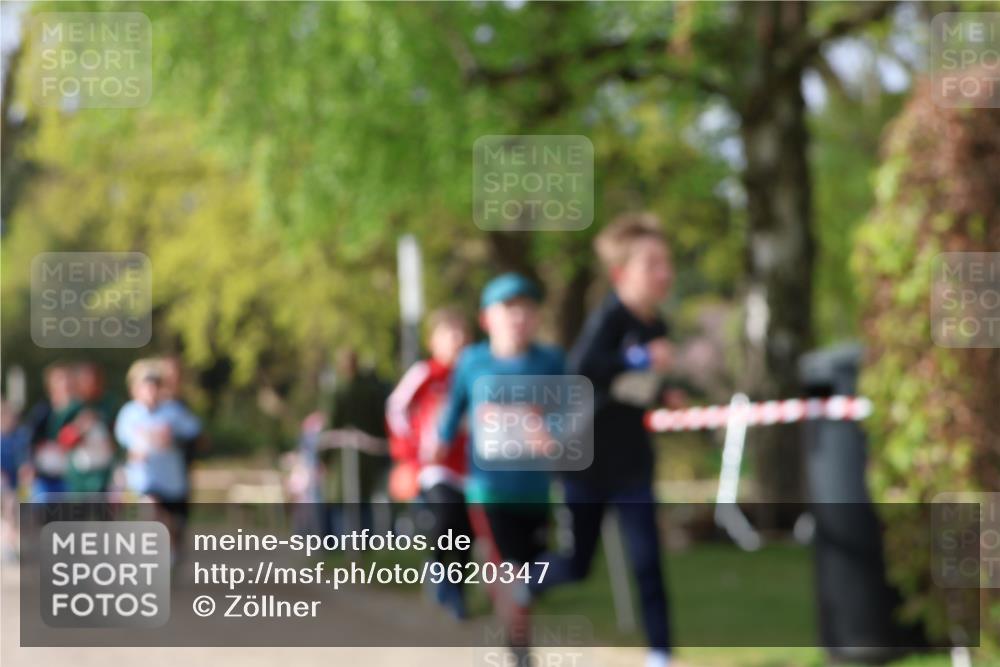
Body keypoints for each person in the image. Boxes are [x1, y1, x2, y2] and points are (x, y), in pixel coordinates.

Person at [527, 213, 677, 667]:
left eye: (666, 263)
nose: (664, 273)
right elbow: (584, 372)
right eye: (651, 263)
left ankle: (661, 654)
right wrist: (637, 357)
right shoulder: (609, 319)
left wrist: (666, 393)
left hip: (632, 462)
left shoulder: (659, 325)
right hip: (586, 464)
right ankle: (522, 583)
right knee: (577, 564)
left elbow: (632, 391)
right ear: (620, 275)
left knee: (648, 560)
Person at [437, 273, 565, 657]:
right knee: (507, 570)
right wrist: (440, 444)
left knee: (529, 576)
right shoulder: (472, 362)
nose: (519, 317)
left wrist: (552, 432)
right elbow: (455, 408)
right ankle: (520, 651)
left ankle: (516, 635)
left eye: (527, 309)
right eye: (509, 309)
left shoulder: (551, 362)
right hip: (488, 488)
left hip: (536, 491)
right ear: (486, 318)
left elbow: (571, 411)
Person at [386, 306, 472, 619]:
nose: (458, 339)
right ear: (433, 341)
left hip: (471, 468)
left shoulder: (473, 373)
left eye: (462, 333)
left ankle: (457, 592)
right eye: (450, 333)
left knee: (466, 530)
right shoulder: (425, 373)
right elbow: (396, 409)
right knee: (445, 518)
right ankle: (440, 571)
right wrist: (412, 452)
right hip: (435, 467)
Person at [115, 359, 201, 554]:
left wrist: (173, 437)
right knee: (151, 510)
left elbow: (195, 431)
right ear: (135, 389)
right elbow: (127, 445)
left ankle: (171, 556)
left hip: (173, 481)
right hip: (144, 481)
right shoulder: (129, 414)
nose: (151, 392)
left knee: (173, 528)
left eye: (155, 387)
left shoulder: (173, 411)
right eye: (146, 387)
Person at [20, 363, 83, 500]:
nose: (65, 384)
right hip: (44, 474)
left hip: (71, 475)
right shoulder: (42, 411)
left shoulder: (80, 411)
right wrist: (28, 464)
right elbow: (29, 439)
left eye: (67, 379)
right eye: (60, 380)